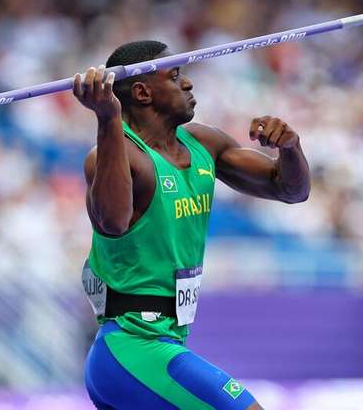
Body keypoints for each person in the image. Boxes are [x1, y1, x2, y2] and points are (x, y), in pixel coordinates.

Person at [75, 40, 310, 410]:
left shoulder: (203, 142)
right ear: (142, 91)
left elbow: (291, 190)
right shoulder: (121, 157)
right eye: (175, 75)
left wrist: (291, 147)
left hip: (167, 340)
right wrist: (107, 118)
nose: (188, 84)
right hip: (131, 347)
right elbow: (112, 221)